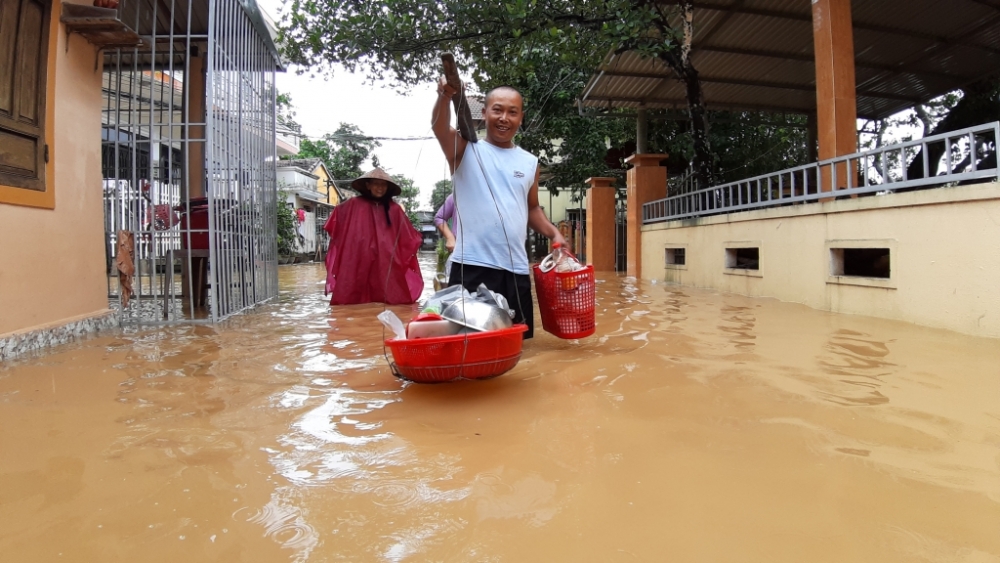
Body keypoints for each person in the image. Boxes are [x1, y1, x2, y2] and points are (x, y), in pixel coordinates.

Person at [432, 80, 566, 338]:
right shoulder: (464, 150)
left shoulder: (529, 162)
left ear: (521, 117)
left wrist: (554, 233)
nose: (504, 118)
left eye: (512, 112)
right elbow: (439, 127)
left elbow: (532, 208)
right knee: (467, 341)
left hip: (515, 268)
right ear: (484, 113)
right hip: (471, 265)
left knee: (519, 345)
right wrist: (443, 97)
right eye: (497, 110)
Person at [322, 168, 423, 305]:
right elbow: (336, 220)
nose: (380, 188)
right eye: (376, 184)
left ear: (388, 187)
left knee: (393, 297)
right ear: (368, 185)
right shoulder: (353, 204)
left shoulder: (394, 209)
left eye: (383, 185)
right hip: (359, 255)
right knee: (351, 295)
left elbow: (407, 235)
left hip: (386, 258)